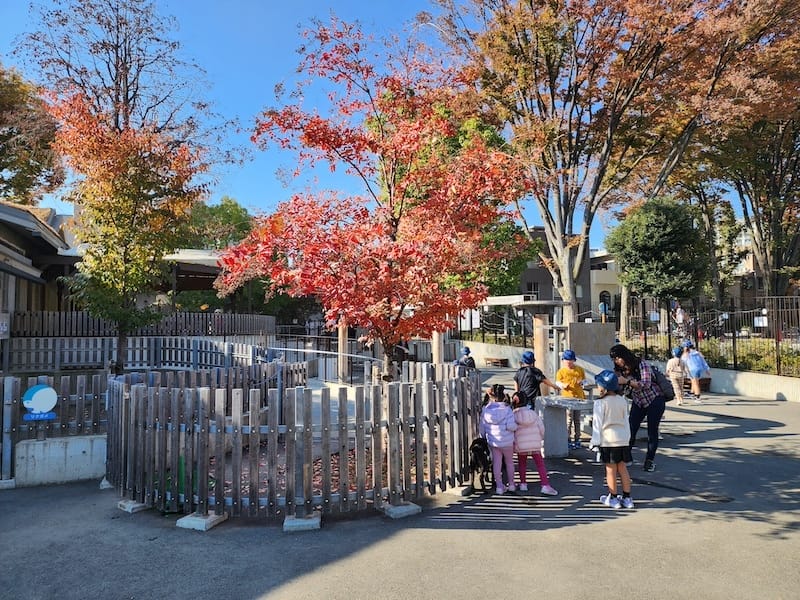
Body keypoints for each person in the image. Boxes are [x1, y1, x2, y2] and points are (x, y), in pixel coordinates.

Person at [609, 343, 666, 472]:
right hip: (639, 401)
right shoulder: (620, 370)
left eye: (618, 358)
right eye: (614, 359)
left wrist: (627, 381)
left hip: (654, 400)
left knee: (652, 431)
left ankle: (649, 461)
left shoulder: (641, 364)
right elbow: (620, 388)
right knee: (630, 429)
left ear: (624, 356)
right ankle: (626, 458)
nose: (617, 362)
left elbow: (646, 384)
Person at [590, 370, 635, 509]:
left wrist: (595, 442)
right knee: (623, 469)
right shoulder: (622, 401)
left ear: (603, 387)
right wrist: (627, 438)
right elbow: (626, 421)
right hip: (622, 439)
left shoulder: (600, 403)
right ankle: (627, 498)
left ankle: (613, 497)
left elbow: (597, 424)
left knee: (610, 470)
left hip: (608, 440)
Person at [512, 394, 558, 495]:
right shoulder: (533, 414)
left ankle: (523, 484)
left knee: (522, 464)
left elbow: (512, 430)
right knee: (540, 465)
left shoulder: (514, 415)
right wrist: (540, 438)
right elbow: (541, 428)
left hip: (521, 444)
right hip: (534, 443)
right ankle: (545, 485)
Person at [480, 383, 518, 495]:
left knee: (496, 463)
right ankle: (511, 484)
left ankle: (499, 487)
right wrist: (516, 427)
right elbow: (511, 426)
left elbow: (482, 427)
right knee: (509, 462)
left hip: (494, 441)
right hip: (507, 442)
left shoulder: (486, 410)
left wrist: (483, 436)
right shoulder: (507, 410)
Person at [556, 348, 588, 449]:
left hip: (578, 397)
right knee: (569, 420)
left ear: (574, 360)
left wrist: (582, 383)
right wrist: (562, 385)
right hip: (567, 398)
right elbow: (557, 382)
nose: (569, 362)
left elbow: (585, 381)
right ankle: (568, 439)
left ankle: (577, 439)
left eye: (571, 360)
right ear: (563, 360)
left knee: (577, 419)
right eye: (567, 360)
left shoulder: (579, 369)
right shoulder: (561, 371)